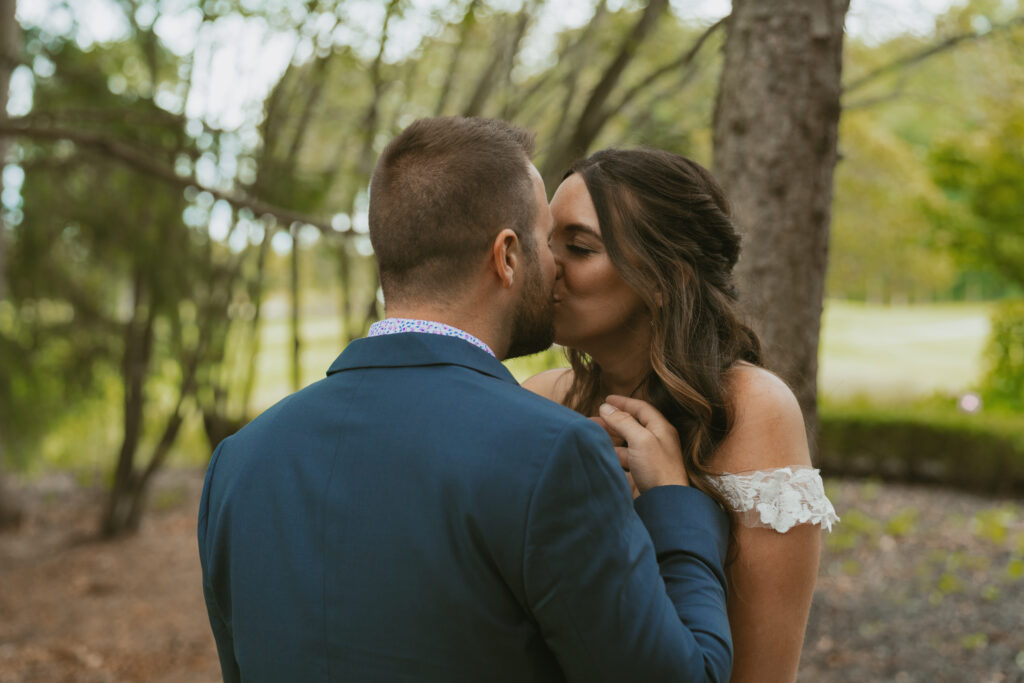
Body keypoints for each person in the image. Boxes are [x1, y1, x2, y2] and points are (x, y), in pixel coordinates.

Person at [198, 118, 734, 682]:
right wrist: (674, 503)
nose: (555, 265)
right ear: (506, 256)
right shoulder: (554, 452)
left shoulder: (237, 461)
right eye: (545, 241)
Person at [524, 147, 839, 683]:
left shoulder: (751, 409)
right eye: (547, 242)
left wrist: (670, 500)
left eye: (578, 247)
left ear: (668, 276)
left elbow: (759, 674)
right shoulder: (539, 399)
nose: (548, 266)